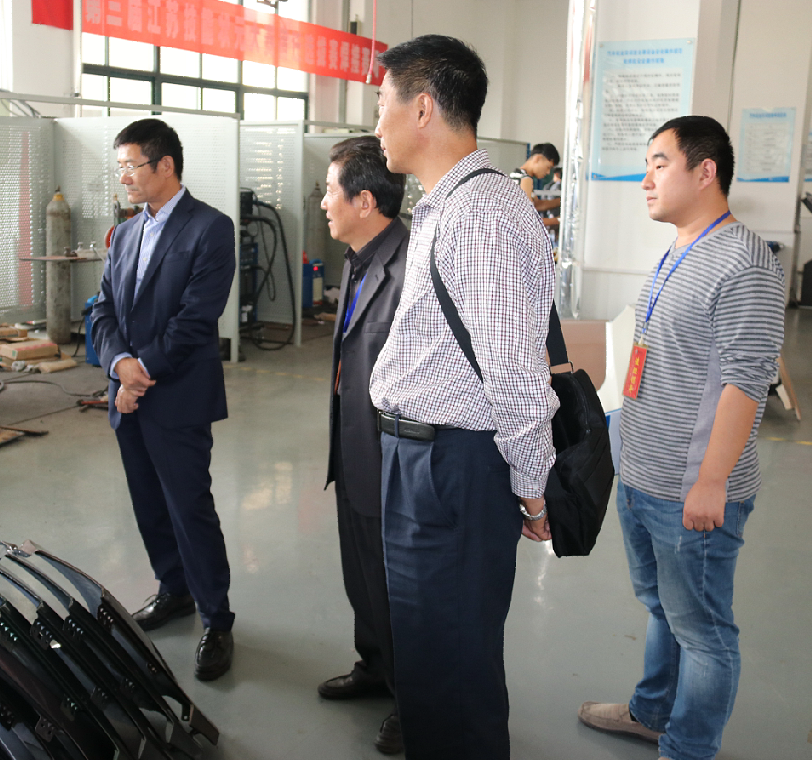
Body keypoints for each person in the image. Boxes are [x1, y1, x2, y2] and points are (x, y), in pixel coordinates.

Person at [367, 35, 558, 758]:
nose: (376, 123)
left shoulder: (480, 213)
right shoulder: (449, 205)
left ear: (422, 108)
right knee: (428, 662)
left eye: (382, 104)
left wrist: (533, 493)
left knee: (452, 668)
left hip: (451, 469)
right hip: (426, 462)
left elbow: (515, 373)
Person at [578, 116, 785, 760]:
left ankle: (688, 748)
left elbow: (746, 382)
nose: (645, 180)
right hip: (644, 473)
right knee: (663, 607)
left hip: (691, 490)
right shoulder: (683, 247)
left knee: (703, 631)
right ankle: (652, 713)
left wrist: (712, 482)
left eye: (660, 164)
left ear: (705, 171)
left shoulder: (744, 261)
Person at [90, 118, 237, 681]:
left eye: (131, 166)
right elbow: (102, 309)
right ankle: (173, 589)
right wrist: (119, 366)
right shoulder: (126, 233)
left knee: (188, 506)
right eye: (120, 167)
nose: (123, 176)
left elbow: (196, 319)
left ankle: (216, 619)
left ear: (165, 165)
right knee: (148, 503)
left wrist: (140, 372)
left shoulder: (210, 228)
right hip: (129, 396)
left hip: (176, 397)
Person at [318, 136, 409, 755]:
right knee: (362, 578)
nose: (325, 202)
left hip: (391, 464)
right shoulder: (357, 258)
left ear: (365, 201)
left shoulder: (409, 268)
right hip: (353, 451)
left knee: (395, 589)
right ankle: (374, 666)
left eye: (332, 191)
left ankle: (412, 697)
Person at [510, 142, 562, 228]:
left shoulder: (519, 175)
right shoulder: (524, 179)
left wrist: (562, 201)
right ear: (538, 158)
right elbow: (527, 219)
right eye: (548, 167)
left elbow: (537, 205)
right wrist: (559, 220)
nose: (548, 172)